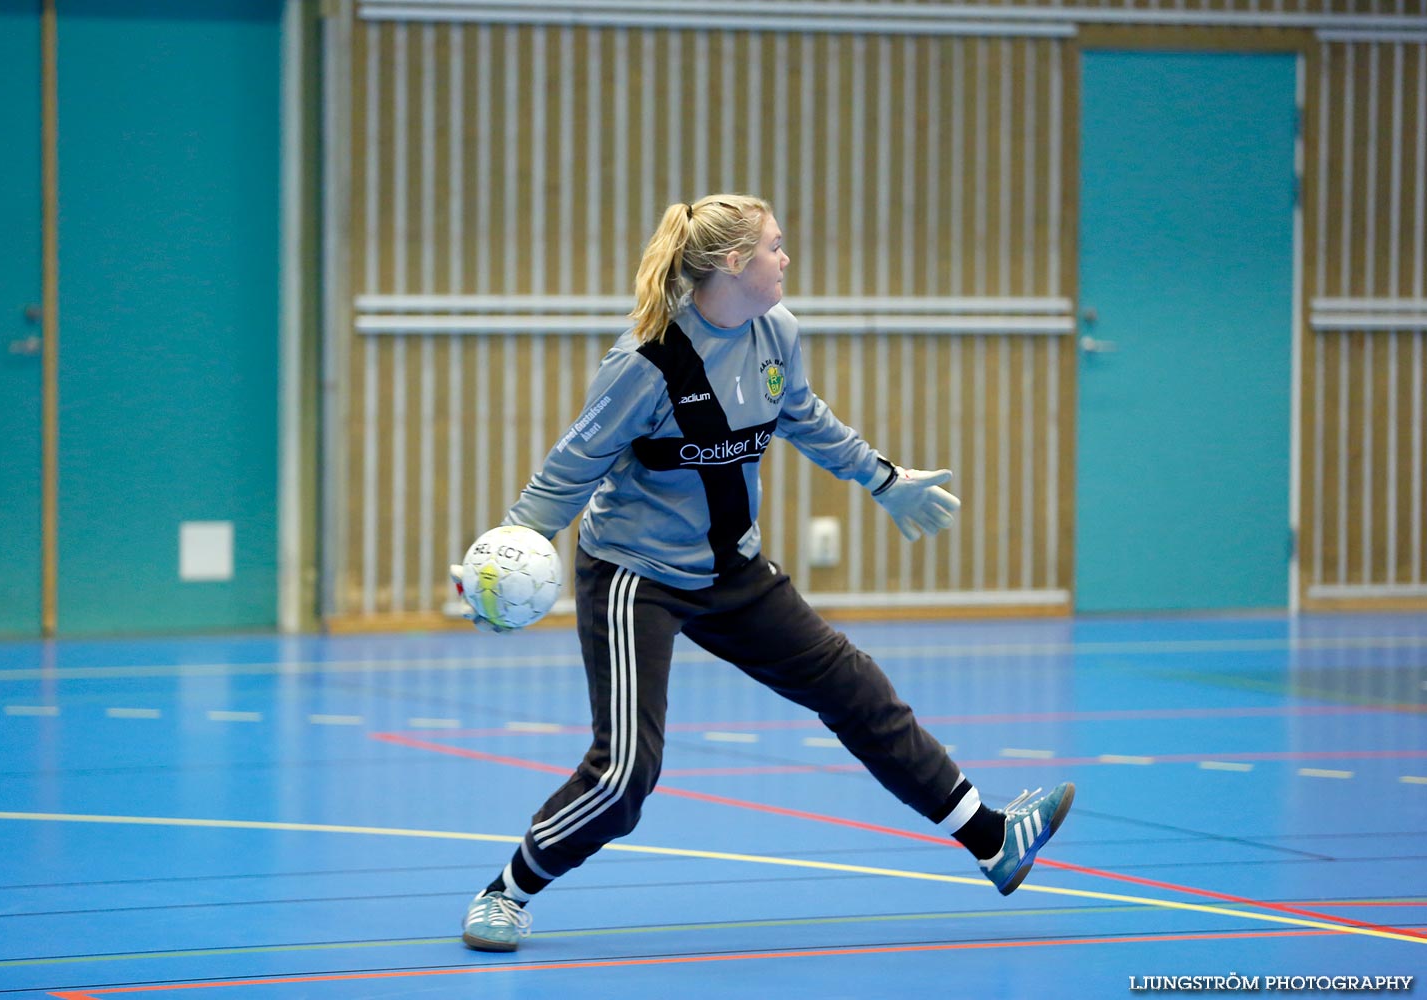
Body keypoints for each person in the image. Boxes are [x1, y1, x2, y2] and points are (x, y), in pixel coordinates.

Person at [449, 194, 1074, 952]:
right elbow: (566, 473)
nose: (786, 259)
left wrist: (883, 478)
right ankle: (506, 893)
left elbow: (804, 416)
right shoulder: (644, 363)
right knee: (624, 778)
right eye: (776, 247)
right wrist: (502, 564)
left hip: (733, 569)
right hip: (636, 575)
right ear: (734, 264)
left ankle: (990, 839)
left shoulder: (775, 332)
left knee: (857, 690)